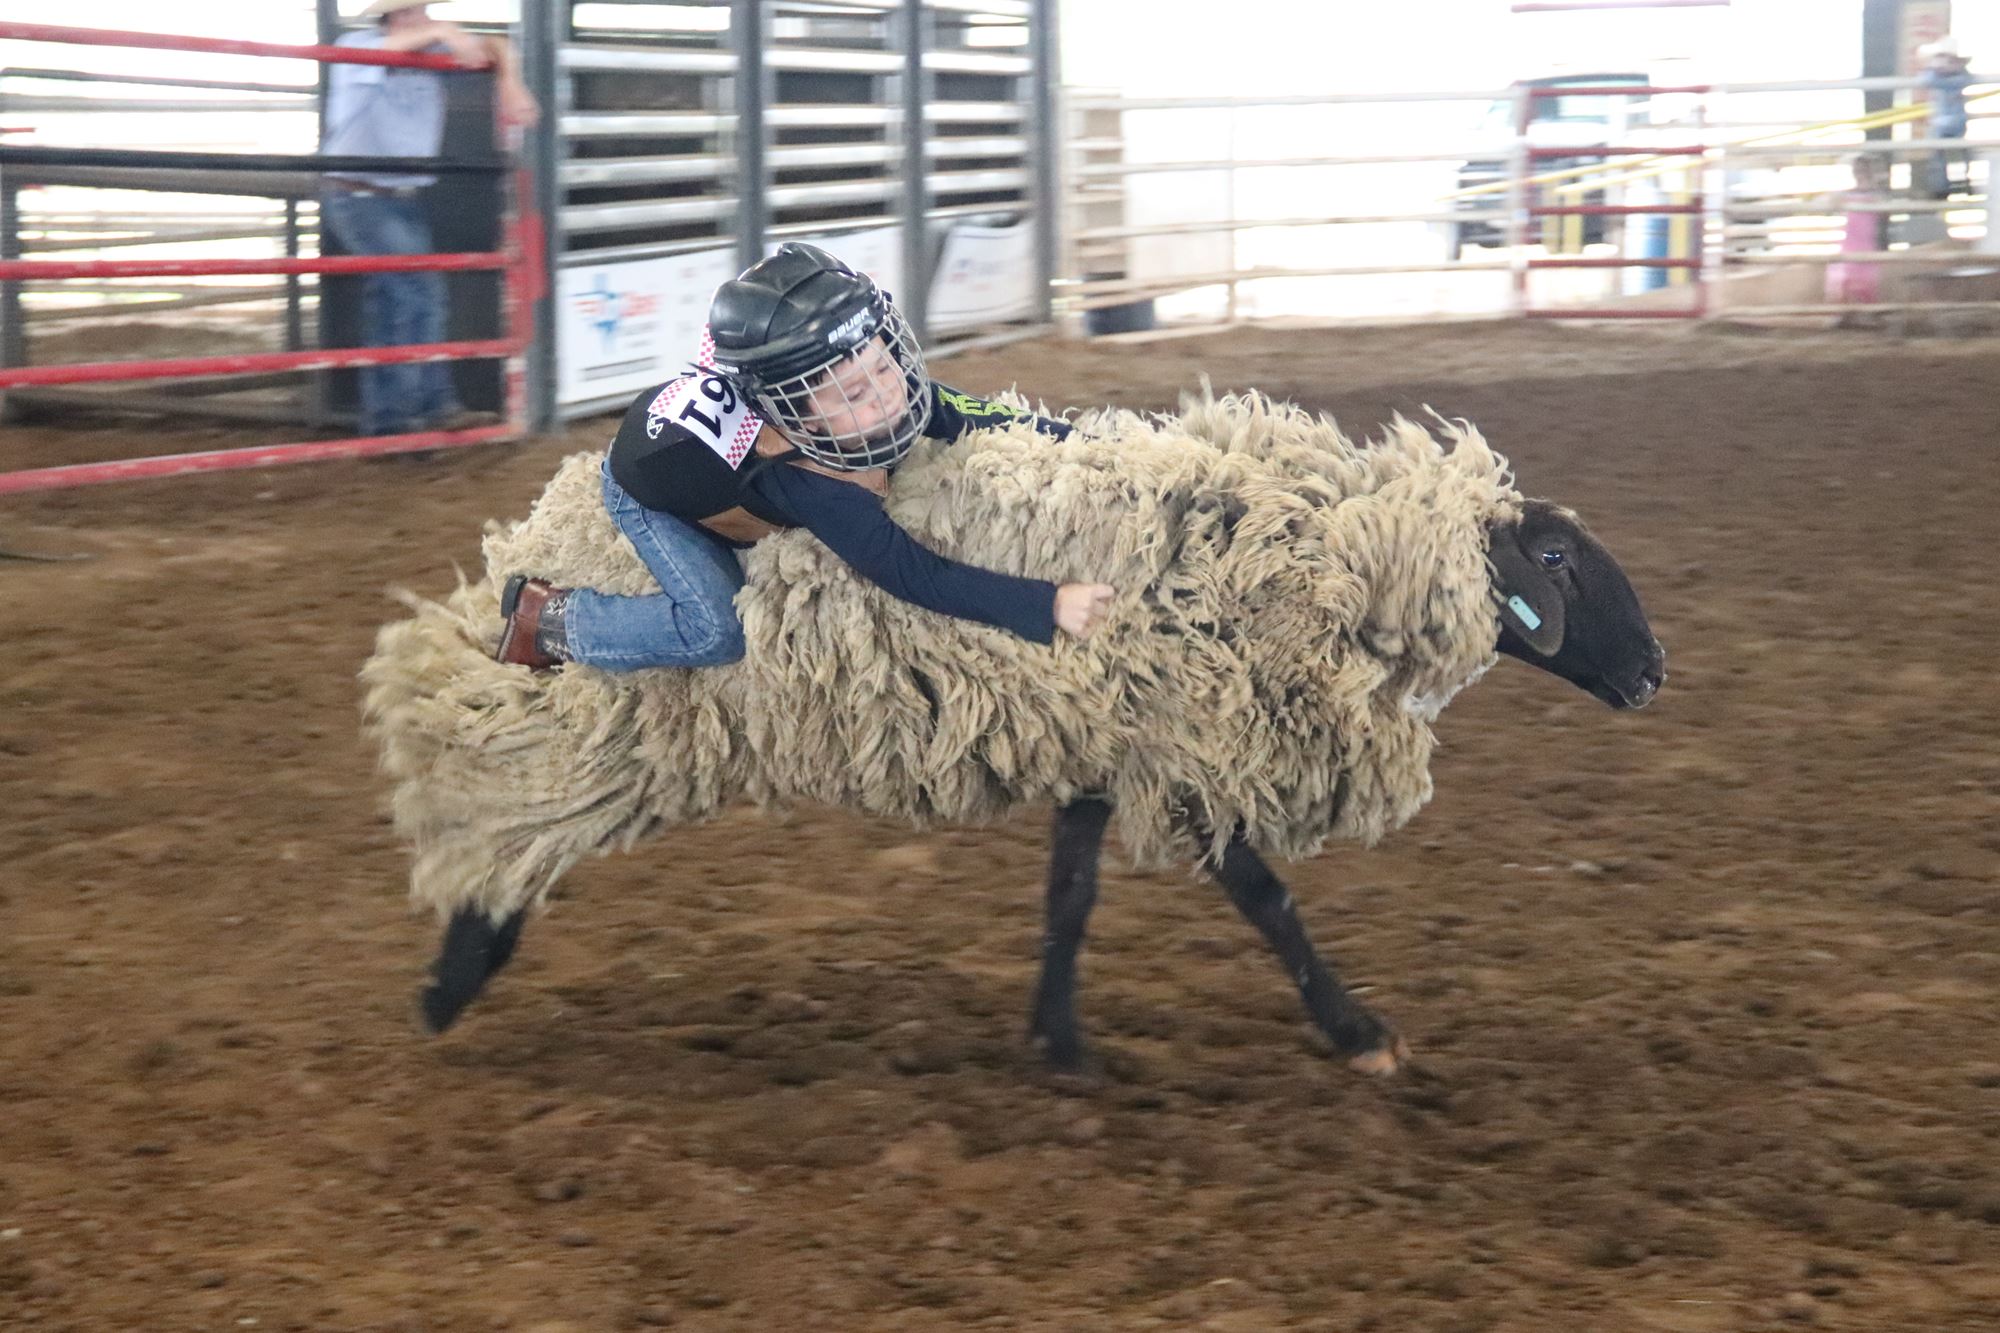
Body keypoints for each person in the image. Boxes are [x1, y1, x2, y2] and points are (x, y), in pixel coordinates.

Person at [496, 243, 1117, 671]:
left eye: (883, 364)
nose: (885, 397)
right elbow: (911, 573)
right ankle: (551, 622)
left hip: (693, 430)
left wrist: (1090, 445)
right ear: (790, 414)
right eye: (852, 392)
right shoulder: (809, 478)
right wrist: (1048, 603)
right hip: (646, 492)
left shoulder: (879, 396)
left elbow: (981, 414)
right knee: (717, 629)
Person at [319, 0, 539, 436]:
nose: (427, 18)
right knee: (418, 294)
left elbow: (493, 45)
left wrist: (508, 79)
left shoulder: (427, 51)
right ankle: (413, 415)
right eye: (418, 11)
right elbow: (423, 43)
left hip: (390, 196)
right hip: (362, 195)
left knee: (399, 301)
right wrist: (447, 35)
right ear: (399, 17)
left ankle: (400, 416)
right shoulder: (357, 48)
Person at [1825, 152, 1889, 309]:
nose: (1860, 174)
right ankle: (1847, 310)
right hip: (1852, 241)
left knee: (1864, 277)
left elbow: (1885, 211)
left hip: (1865, 241)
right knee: (1845, 276)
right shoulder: (1852, 194)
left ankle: (1864, 309)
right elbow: (1830, 204)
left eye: (1863, 170)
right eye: (1858, 170)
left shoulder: (1874, 195)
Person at [1916, 36, 1975, 200]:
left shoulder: (1945, 78)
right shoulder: (1954, 78)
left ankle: (1959, 183)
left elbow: (1928, 81)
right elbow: (1927, 80)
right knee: (1942, 156)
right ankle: (1945, 186)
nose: (1946, 64)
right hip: (1949, 123)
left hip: (1949, 123)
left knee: (1953, 154)